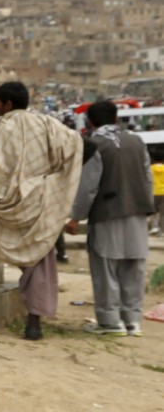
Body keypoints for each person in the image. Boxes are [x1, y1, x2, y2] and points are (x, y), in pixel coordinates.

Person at [0, 82, 82, 340]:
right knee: (38, 259)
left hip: (3, 203)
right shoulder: (48, 124)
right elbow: (82, 146)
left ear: (7, 104)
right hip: (38, 204)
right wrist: (53, 182)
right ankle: (34, 323)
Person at [65, 99, 154, 337]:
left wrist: (76, 216)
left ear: (90, 121)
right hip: (136, 213)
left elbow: (88, 187)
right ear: (116, 118)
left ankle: (110, 321)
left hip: (107, 214)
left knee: (106, 269)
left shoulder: (95, 145)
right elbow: (147, 179)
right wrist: (145, 207)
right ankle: (133, 320)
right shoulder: (136, 141)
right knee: (134, 267)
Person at [150, 148, 164, 235]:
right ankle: (163, 229)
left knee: (152, 211)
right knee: (163, 213)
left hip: (153, 192)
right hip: (163, 193)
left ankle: (155, 226)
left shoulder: (150, 168)